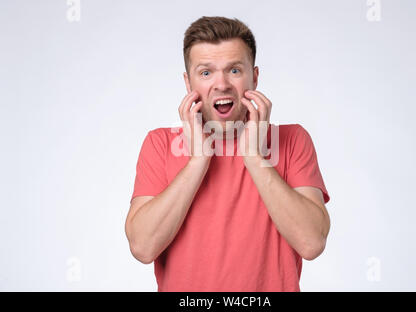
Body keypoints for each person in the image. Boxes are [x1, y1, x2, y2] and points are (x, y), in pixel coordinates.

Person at [125, 16, 331, 292]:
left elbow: (311, 243)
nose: (221, 84)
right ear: (189, 83)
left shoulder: (292, 140)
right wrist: (198, 160)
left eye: (234, 70)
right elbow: (143, 247)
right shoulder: (160, 143)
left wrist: (255, 158)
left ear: (254, 77)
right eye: (206, 73)